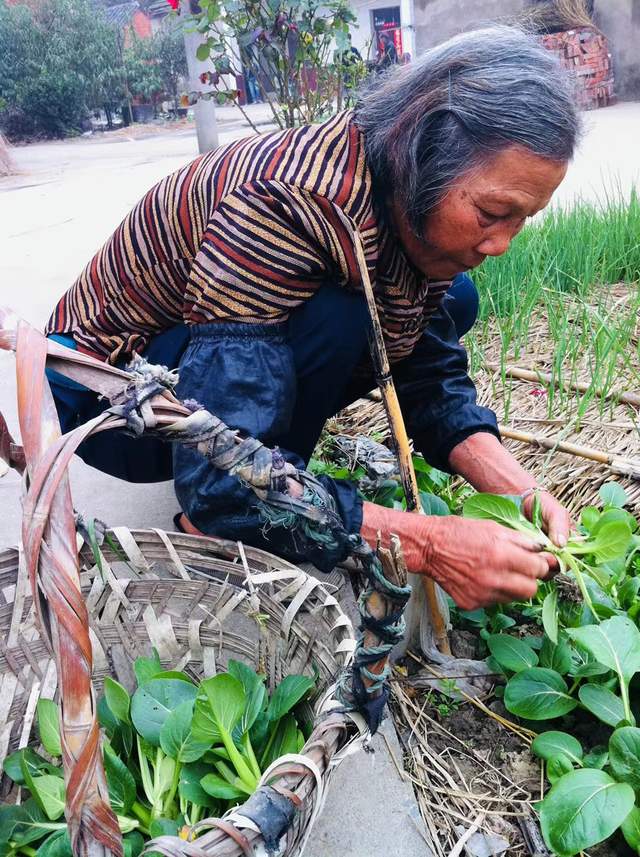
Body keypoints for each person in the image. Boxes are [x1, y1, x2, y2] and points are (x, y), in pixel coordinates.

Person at [45, 26, 578, 613]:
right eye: (492, 213)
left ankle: (281, 486)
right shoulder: (291, 206)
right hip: (108, 403)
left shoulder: (406, 202)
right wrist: (426, 543)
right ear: (422, 155)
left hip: (189, 370)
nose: (502, 242)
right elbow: (218, 476)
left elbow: (428, 378)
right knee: (340, 316)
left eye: (522, 219)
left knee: (457, 299)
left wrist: (521, 493)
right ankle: (233, 525)